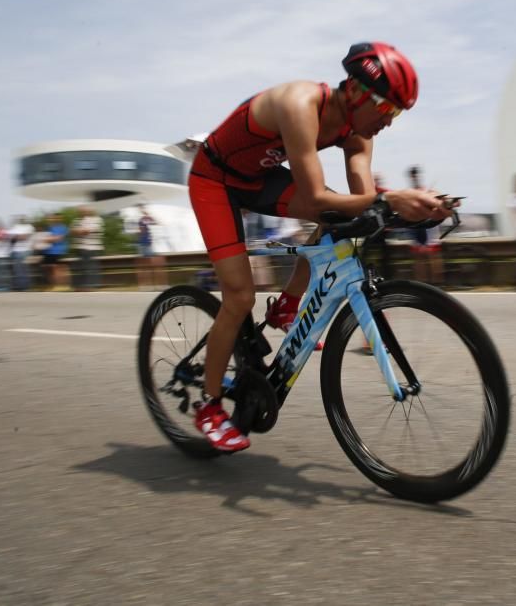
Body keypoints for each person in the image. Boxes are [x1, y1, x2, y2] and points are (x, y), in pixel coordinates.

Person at [187, 41, 452, 451]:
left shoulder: (360, 132)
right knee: (238, 297)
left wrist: (408, 210)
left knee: (342, 222)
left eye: (398, 113)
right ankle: (209, 406)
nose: (391, 121)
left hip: (258, 179)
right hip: (214, 181)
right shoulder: (300, 103)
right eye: (390, 110)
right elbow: (315, 197)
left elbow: (362, 202)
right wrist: (388, 199)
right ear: (361, 94)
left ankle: (289, 306)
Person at [405, 165, 445, 285]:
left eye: (416, 174)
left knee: (433, 257)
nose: (415, 177)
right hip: (416, 228)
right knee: (419, 259)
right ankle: (422, 284)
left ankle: (438, 284)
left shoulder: (426, 192)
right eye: (413, 175)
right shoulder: (409, 193)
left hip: (430, 229)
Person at [71, 206, 104, 290]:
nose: (82, 212)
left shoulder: (96, 220)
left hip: (91, 247)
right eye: (81, 211)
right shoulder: (77, 220)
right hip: (80, 247)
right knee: (82, 266)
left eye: (84, 211)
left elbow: (86, 231)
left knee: (90, 266)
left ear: (89, 211)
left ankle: (92, 284)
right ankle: (82, 285)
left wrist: (80, 231)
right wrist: (79, 231)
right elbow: (72, 231)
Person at [135, 206, 168, 290]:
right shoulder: (142, 220)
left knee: (148, 265)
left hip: (146, 244)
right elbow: (153, 223)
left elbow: (155, 222)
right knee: (151, 264)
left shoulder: (144, 220)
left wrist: (147, 214)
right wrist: (146, 213)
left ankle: (146, 286)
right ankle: (149, 286)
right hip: (144, 244)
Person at [42, 213, 71, 291]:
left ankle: (61, 285)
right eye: (55, 218)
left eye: (58, 218)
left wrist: (47, 239)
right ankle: (52, 285)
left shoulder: (63, 228)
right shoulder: (49, 227)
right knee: (47, 268)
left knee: (57, 268)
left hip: (58, 250)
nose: (56, 219)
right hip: (48, 251)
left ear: (61, 219)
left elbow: (59, 238)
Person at [8, 216, 35, 291]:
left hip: (26, 251)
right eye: (20, 219)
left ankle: (26, 286)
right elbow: (11, 238)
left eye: (23, 219)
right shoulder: (16, 227)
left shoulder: (29, 227)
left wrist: (16, 236)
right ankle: (19, 286)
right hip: (16, 251)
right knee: (17, 270)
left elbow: (24, 237)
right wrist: (17, 236)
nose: (21, 220)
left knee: (25, 269)